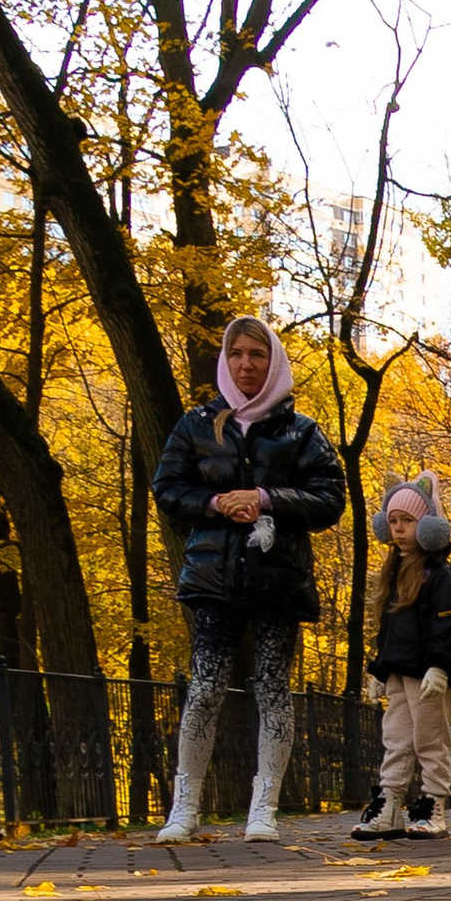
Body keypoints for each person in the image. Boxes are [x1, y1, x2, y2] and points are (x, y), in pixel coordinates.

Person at [150, 316, 346, 843]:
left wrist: (264, 498)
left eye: (257, 354)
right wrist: (215, 503)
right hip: (213, 577)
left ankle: (265, 809)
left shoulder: (301, 432)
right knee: (206, 687)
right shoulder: (196, 425)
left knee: (272, 688)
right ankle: (183, 807)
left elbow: (331, 499)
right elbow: (167, 489)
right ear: (225, 359)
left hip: (278, 580)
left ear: (273, 360)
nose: (246, 363)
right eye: (237, 353)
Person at [351, 474, 451, 841]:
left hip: (431, 676)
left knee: (431, 740)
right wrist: (378, 670)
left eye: (408, 521)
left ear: (429, 526)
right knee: (397, 740)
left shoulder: (442, 577)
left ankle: (433, 805)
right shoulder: (394, 573)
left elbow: (449, 626)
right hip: (399, 675)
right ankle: (388, 804)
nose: (400, 528)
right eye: (393, 521)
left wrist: (441, 666)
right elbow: (389, 632)